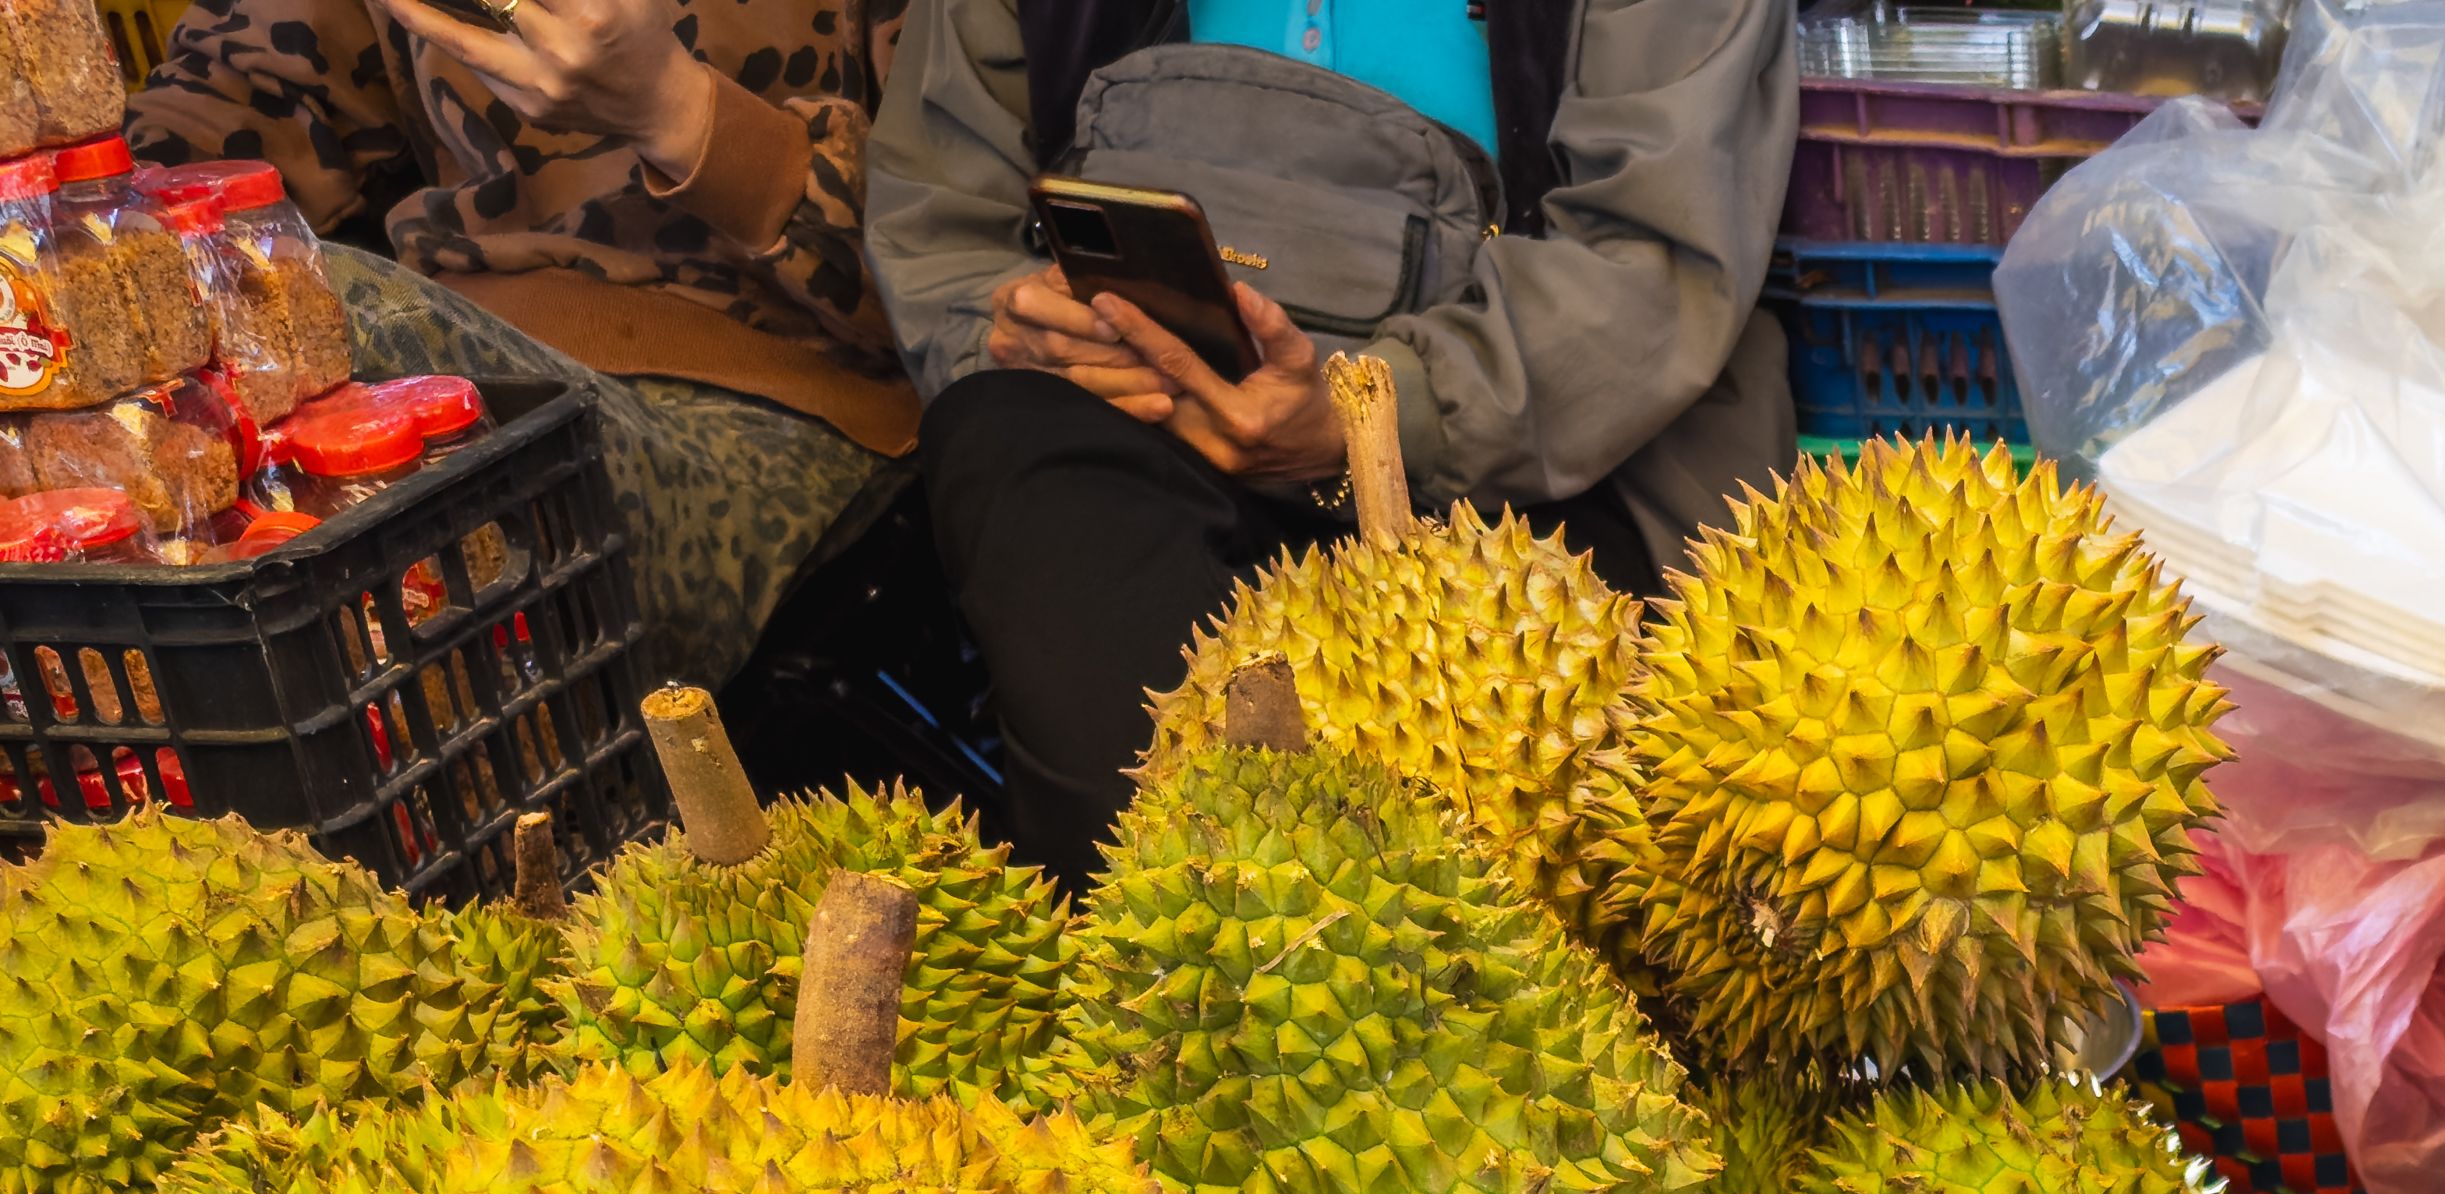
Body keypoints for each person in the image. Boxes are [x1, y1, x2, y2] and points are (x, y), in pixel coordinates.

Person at [864, 0, 1788, 875]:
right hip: (1137, 443)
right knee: (1013, 444)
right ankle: (1183, 980)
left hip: (1541, 475)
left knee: (1539, 798)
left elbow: (1649, 262)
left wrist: (1378, 417)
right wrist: (1029, 329)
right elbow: (943, 218)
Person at [133, 0, 912, 694]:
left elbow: (966, 275)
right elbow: (200, 132)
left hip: (773, 393)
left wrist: (676, 110)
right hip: (450, 354)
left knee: (340, 302)